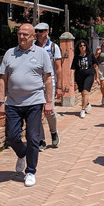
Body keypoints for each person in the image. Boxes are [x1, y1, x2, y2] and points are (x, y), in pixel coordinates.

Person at [0, 23, 53, 187]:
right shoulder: (9, 53)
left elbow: (48, 79)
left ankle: (30, 171)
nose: (22, 37)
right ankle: (22, 154)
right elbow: (2, 78)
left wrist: (48, 102)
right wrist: (1, 102)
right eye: (20, 34)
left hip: (34, 102)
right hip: (13, 103)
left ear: (33, 37)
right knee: (12, 137)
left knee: (33, 137)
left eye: (25, 35)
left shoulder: (42, 54)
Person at [34, 22, 62, 150]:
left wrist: (60, 87)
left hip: (50, 83)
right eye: (37, 31)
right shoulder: (32, 47)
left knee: (49, 111)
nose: (38, 33)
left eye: (41, 31)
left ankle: (53, 132)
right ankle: (41, 139)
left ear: (47, 32)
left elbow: (58, 68)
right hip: (35, 84)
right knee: (37, 113)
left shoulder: (53, 47)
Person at [71, 40, 98, 118]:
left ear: (86, 46)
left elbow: (95, 65)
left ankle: (82, 109)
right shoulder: (76, 57)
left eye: (84, 45)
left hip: (89, 75)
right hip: (79, 76)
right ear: (78, 48)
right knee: (82, 93)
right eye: (80, 46)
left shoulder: (90, 55)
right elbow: (73, 68)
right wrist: (71, 79)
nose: (82, 47)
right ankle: (87, 104)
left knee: (85, 92)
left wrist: (97, 77)